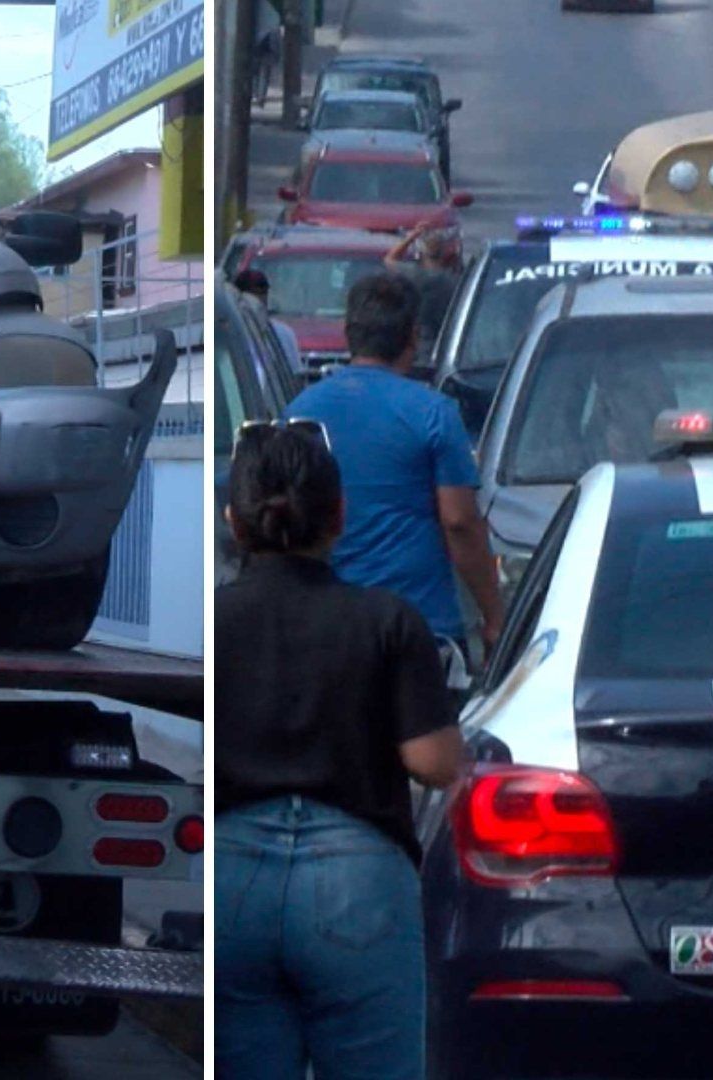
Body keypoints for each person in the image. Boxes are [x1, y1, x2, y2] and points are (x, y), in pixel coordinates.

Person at [215, 420, 464, 1080]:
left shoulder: (214, 623)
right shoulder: (390, 621)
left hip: (230, 878)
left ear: (234, 524)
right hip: (360, 885)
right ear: (340, 516)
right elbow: (435, 764)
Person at [287, 272, 506, 663]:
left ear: (348, 333)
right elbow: (459, 522)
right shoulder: (434, 413)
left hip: (325, 625)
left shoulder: (300, 413)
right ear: (412, 338)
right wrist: (493, 616)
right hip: (421, 626)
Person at [382, 225, 458, 357]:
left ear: (421, 253)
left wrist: (412, 236)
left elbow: (389, 259)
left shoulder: (410, 273)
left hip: (414, 341)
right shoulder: (453, 281)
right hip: (445, 341)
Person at [232, 267, 303, 365]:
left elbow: (294, 374)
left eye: (262, 293)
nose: (258, 299)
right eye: (252, 294)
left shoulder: (283, 335)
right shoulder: (230, 337)